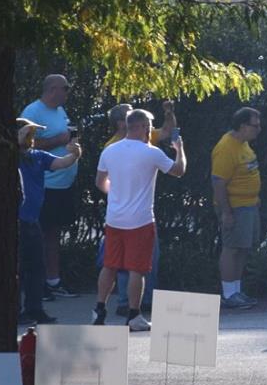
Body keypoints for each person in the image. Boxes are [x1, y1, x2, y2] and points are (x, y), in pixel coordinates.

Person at [93, 108, 185, 332]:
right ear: (144, 127)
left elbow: (100, 182)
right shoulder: (151, 152)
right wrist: (180, 149)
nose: (151, 130)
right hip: (140, 220)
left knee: (110, 265)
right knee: (137, 269)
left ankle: (98, 309)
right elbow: (178, 170)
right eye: (150, 126)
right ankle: (134, 315)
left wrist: (117, 195)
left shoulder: (110, 150)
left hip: (114, 218)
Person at [19, 73, 79, 301]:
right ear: (53, 89)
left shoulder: (60, 111)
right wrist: (60, 140)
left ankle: (53, 281)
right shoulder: (32, 112)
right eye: (66, 88)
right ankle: (37, 286)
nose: (68, 92)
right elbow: (25, 145)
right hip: (45, 185)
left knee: (53, 233)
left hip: (63, 183)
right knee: (38, 235)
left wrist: (72, 148)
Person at [17, 120, 80, 325]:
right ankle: (14, 312)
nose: (32, 138)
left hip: (33, 220)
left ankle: (34, 310)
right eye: (28, 134)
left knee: (37, 267)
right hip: (16, 222)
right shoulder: (10, 157)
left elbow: (62, 163)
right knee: (17, 269)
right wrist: (17, 141)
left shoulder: (38, 156)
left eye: (33, 134)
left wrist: (75, 154)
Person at [203, 107, 265, 310]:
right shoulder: (226, 148)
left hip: (249, 205)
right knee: (232, 249)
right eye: (255, 126)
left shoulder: (243, 144)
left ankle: (237, 290)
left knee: (243, 248)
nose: (259, 129)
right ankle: (229, 294)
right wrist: (226, 212)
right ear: (243, 126)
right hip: (235, 207)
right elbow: (218, 182)